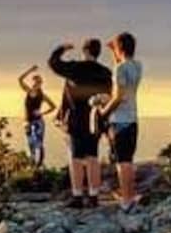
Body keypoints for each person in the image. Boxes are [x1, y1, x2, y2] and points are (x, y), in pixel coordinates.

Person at [49, 39, 112, 208]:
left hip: (75, 118)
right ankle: (93, 196)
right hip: (95, 118)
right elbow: (108, 96)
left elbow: (53, 63)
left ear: (85, 51)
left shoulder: (75, 68)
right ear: (98, 52)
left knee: (76, 158)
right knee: (93, 157)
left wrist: (61, 48)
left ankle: (77, 196)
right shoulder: (105, 72)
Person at [101, 32, 144, 209]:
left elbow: (118, 96)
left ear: (120, 48)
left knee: (122, 162)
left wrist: (104, 111)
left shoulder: (120, 69)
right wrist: (114, 53)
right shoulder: (137, 66)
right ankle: (131, 195)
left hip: (120, 119)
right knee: (129, 160)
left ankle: (126, 200)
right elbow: (123, 73)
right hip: (133, 118)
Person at [16, 66, 57, 166]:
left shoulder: (42, 95)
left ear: (40, 83)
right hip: (28, 122)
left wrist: (42, 113)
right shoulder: (29, 91)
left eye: (37, 82)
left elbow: (53, 106)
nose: (35, 84)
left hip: (38, 122)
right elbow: (20, 79)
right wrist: (30, 70)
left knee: (38, 143)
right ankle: (33, 164)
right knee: (30, 144)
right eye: (34, 82)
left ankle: (39, 163)